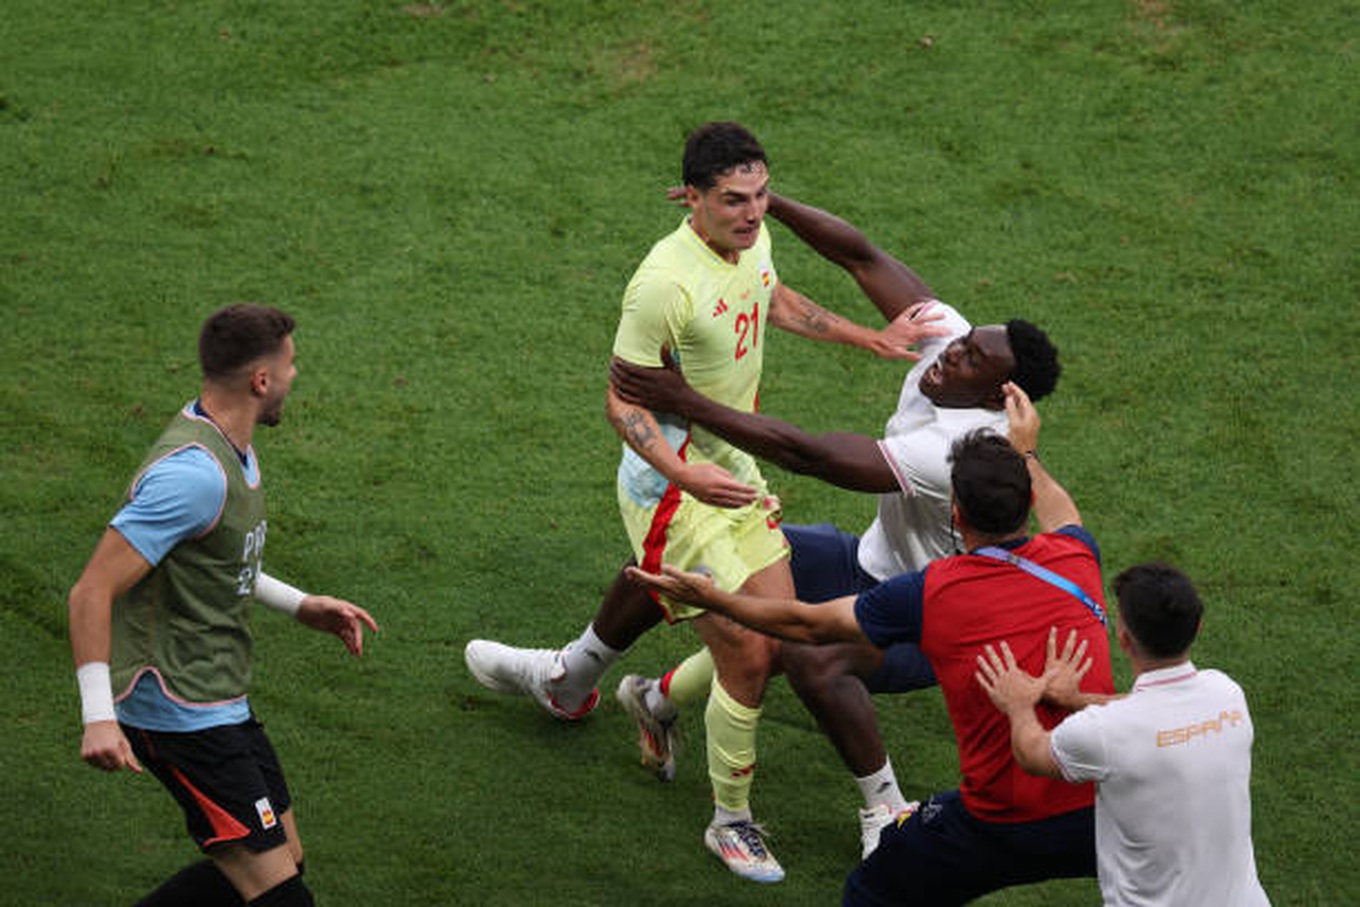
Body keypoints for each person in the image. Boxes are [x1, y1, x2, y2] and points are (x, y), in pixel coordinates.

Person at [463, 122, 940, 884]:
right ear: (691, 197)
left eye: (760, 196)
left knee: (774, 632)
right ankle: (730, 821)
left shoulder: (751, 241)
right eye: (731, 201)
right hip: (669, 490)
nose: (751, 215)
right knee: (749, 651)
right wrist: (688, 479)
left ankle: (590, 686)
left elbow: (771, 297)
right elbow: (624, 405)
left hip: (731, 468)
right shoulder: (662, 283)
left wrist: (869, 340)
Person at [608, 191, 1063, 857]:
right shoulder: (953, 346)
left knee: (805, 652)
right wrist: (773, 202)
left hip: (931, 618)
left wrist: (684, 400)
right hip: (870, 563)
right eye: (962, 341)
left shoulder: (960, 450)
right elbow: (861, 254)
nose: (947, 352)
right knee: (705, 555)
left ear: (999, 397)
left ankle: (885, 810)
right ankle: (593, 677)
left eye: (967, 359)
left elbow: (810, 454)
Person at [628, 384, 1116, 905]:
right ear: (1025, 502)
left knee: (871, 891)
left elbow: (806, 625)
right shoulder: (1076, 558)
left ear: (956, 513)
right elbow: (1062, 511)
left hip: (995, 823)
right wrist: (1027, 452)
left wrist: (716, 600)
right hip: (1098, 817)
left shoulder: (937, 591)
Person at [67, 304, 380, 907]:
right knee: (281, 896)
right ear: (261, 381)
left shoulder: (230, 442)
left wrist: (299, 604)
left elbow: (214, 556)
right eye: (291, 366)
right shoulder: (193, 476)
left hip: (217, 694)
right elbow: (91, 590)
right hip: (178, 710)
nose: (295, 378)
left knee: (284, 859)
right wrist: (98, 716)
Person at [976, 563, 1271, 906]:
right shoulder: (1228, 694)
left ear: (1124, 638)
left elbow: (1032, 752)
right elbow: (1151, 709)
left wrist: (1019, 705)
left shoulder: (1102, 732)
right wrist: (1076, 700)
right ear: (1198, 628)